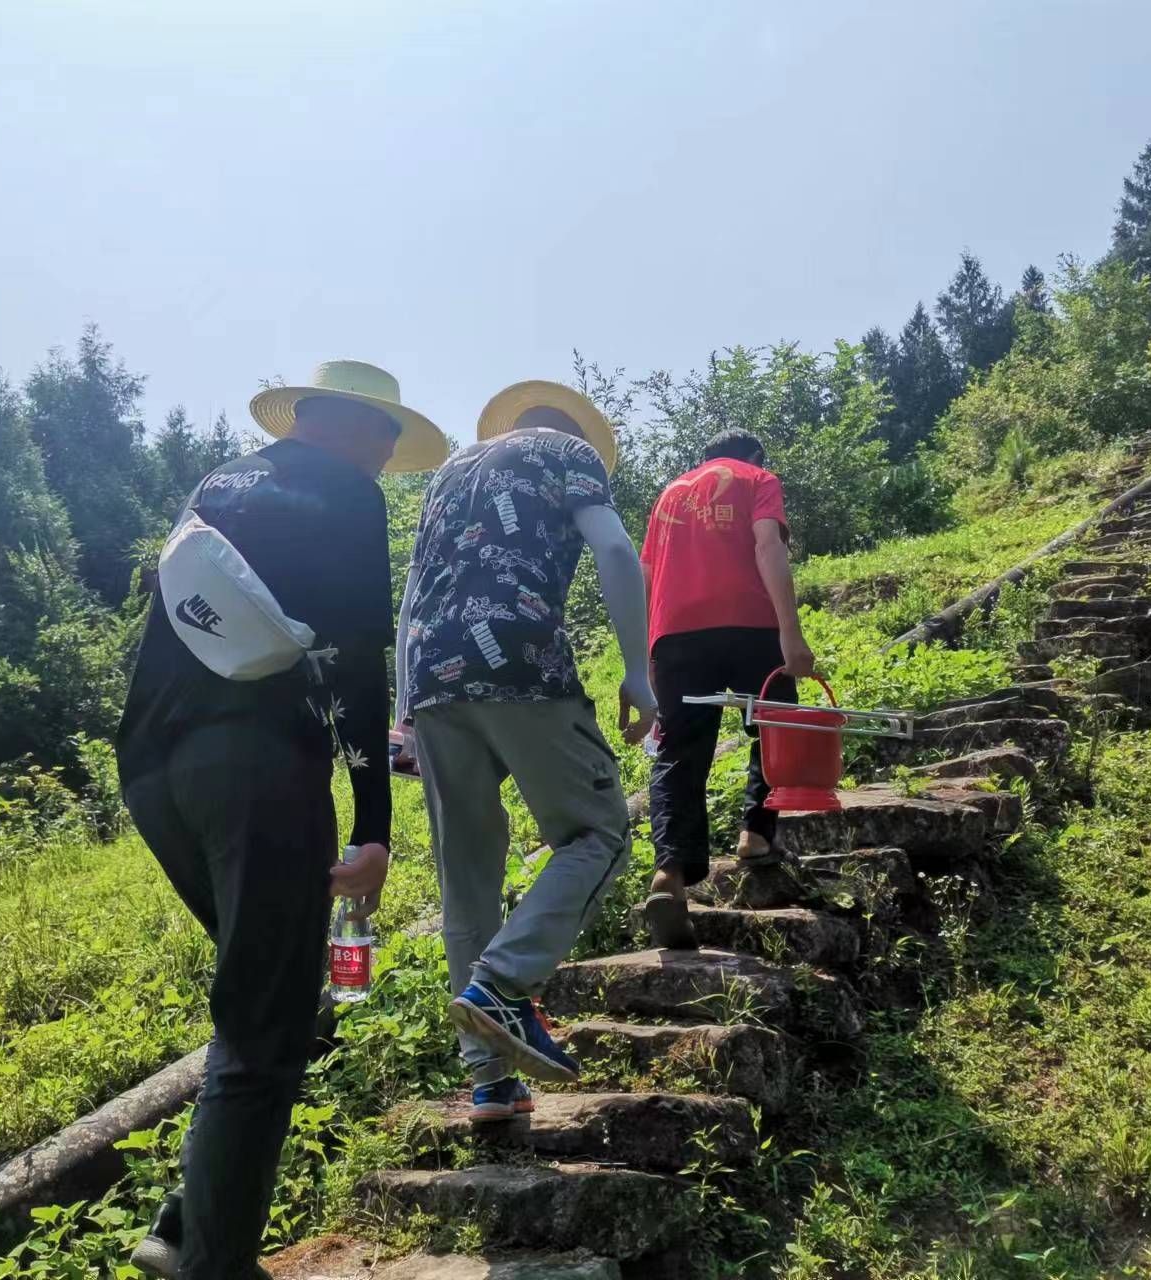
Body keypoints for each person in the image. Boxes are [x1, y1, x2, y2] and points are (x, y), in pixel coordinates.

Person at [116, 361, 447, 1280]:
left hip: (153, 769)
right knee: (266, 1020)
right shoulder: (346, 492)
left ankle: (184, 1228)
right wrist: (375, 827)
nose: (387, 456)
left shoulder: (218, 483)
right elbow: (359, 667)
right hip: (256, 767)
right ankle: (211, 1265)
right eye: (385, 437)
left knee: (265, 987)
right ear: (345, 424)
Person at [394, 380, 656, 1122]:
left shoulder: (451, 472)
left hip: (432, 676)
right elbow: (614, 547)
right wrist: (637, 672)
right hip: (521, 661)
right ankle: (504, 984)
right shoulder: (569, 453)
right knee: (600, 832)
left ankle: (491, 1081)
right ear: (579, 433)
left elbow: (411, 597)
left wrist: (402, 713)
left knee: (467, 876)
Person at [636, 429, 817, 950]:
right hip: (750, 625)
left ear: (705, 458)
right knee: (775, 725)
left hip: (674, 634)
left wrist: (648, 654)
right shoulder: (759, 478)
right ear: (754, 455)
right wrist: (790, 633)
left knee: (678, 750)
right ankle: (756, 835)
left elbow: (646, 575)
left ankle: (670, 874)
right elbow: (767, 546)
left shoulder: (670, 493)